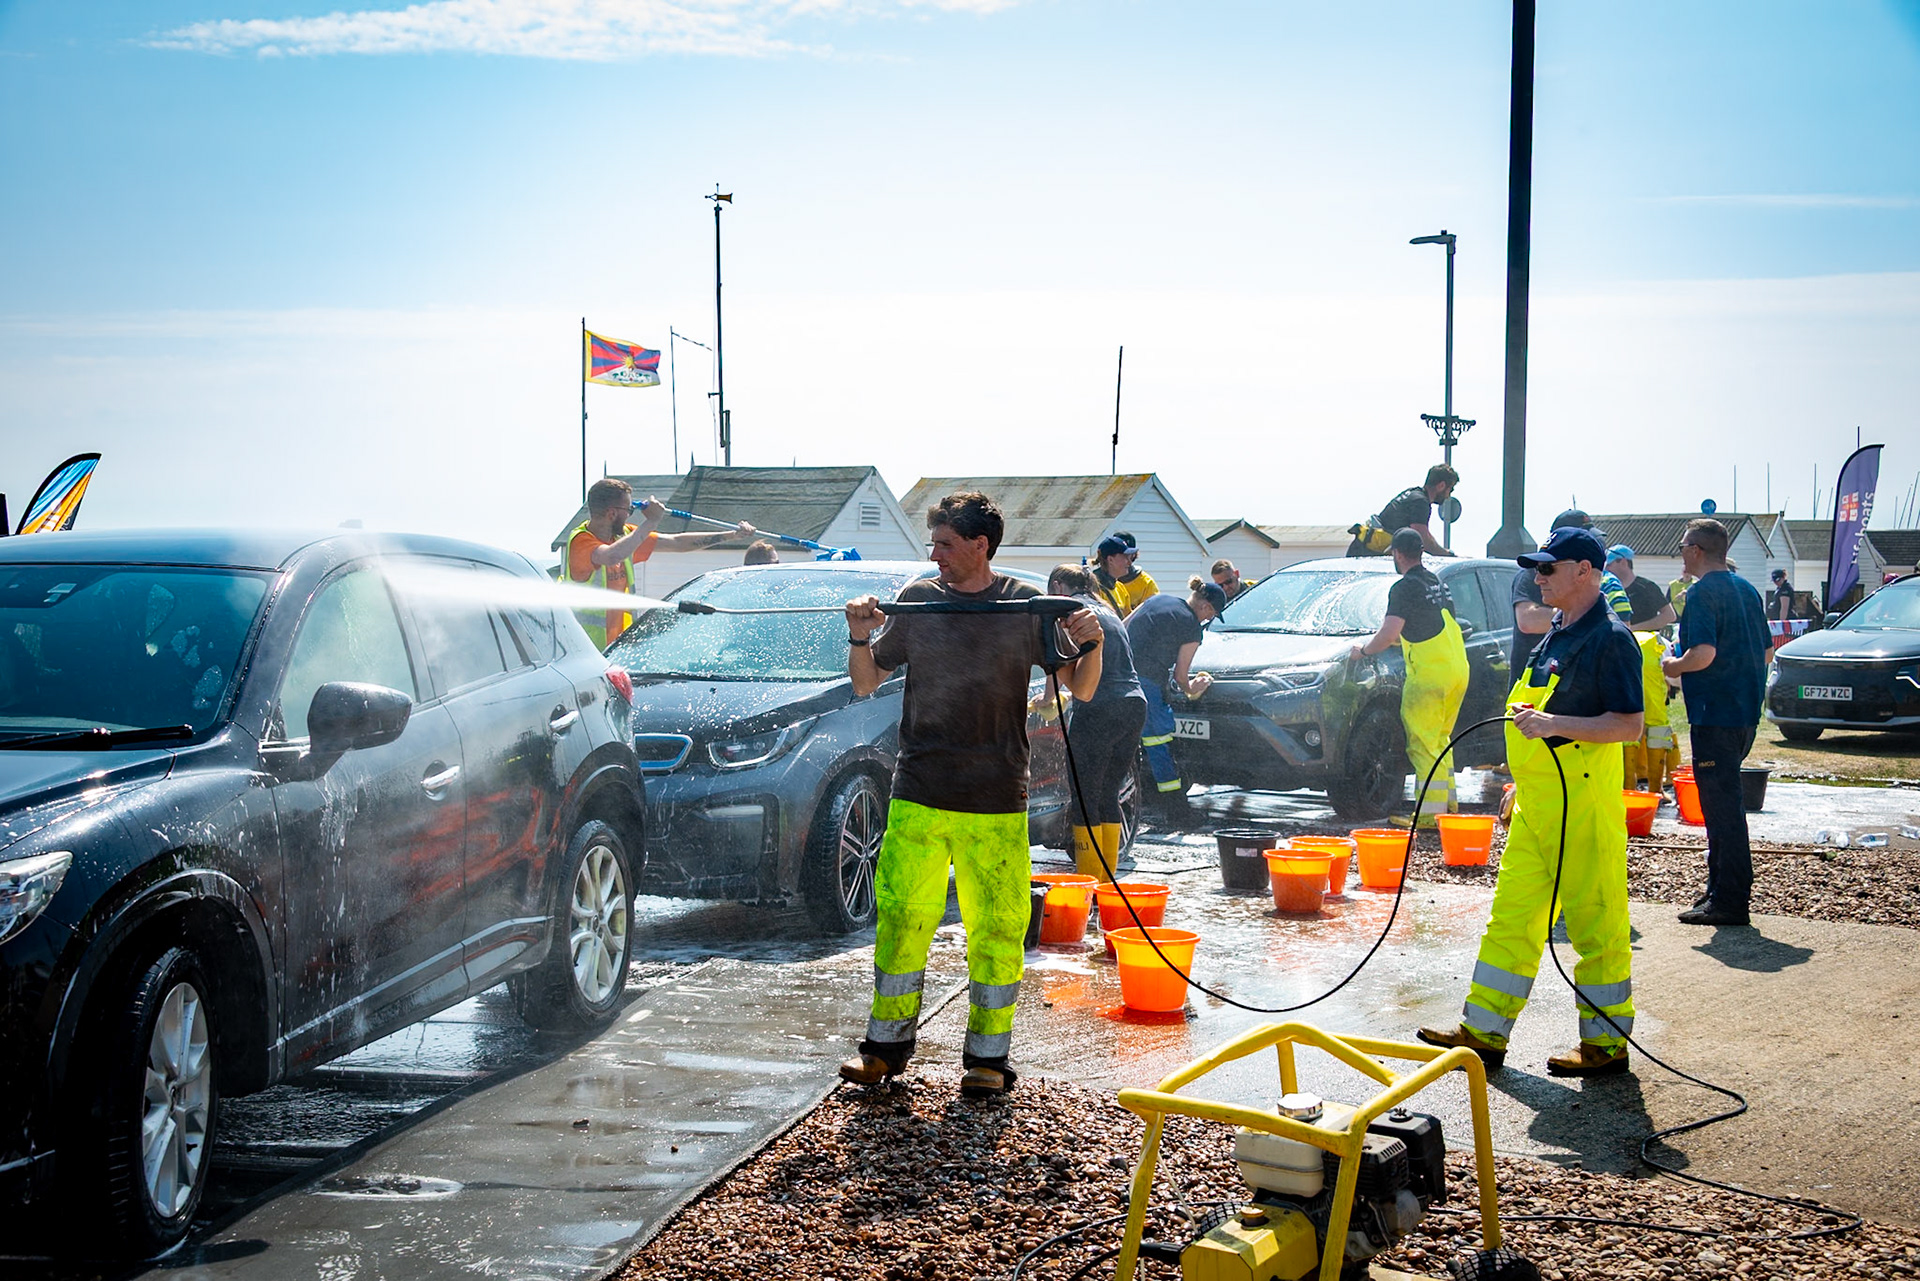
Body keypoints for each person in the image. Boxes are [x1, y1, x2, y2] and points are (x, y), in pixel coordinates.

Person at [838, 493, 1103, 1097]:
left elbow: (1081, 689)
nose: (934, 556)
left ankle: (987, 1059)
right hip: (918, 792)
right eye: (933, 544)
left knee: (998, 929)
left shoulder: (1023, 608)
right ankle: (884, 1049)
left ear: (980, 545)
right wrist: (858, 635)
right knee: (903, 919)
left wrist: (1093, 643)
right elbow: (865, 682)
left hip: (996, 799)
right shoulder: (918, 602)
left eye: (945, 545)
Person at [1420, 525, 1644, 1077]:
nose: (1536, 577)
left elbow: (1629, 725)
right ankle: (1483, 1034)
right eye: (1536, 568)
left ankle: (1605, 1045)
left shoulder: (1612, 640)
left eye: (1547, 568)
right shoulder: (1558, 633)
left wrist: (1552, 725)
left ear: (1583, 572)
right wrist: (1523, 782)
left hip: (1582, 806)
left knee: (1597, 923)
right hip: (1537, 807)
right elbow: (1535, 722)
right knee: (1512, 919)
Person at [1662, 519, 1770, 927]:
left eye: (1682, 547)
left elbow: (1702, 654)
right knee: (1726, 805)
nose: (1681, 554)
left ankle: (1729, 901)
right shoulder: (1746, 589)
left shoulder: (1701, 593)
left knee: (1723, 810)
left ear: (1695, 551)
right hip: (1743, 712)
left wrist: (1673, 665)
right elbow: (1765, 654)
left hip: (1715, 715)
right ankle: (1719, 891)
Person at [1350, 529, 1470, 827]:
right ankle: (1446, 808)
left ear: (1397, 554)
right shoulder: (1436, 582)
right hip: (1456, 669)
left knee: (1421, 743)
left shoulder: (1403, 588)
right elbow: (1425, 624)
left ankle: (1430, 815)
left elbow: (1390, 632)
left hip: (1429, 675)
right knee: (1440, 741)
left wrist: (1363, 650)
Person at [567, 478, 756, 647]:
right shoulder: (581, 541)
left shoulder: (624, 536)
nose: (630, 514)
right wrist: (651, 521)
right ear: (611, 514)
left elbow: (677, 543)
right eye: (629, 510)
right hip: (585, 650)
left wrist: (732, 535)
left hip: (616, 648)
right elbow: (611, 556)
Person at [1048, 563, 1147, 878]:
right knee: (1107, 792)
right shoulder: (1106, 610)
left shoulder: (1071, 612)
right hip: (1133, 705)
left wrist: (1049, 697)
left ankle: (1089, 880)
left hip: (1100, 708)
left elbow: (1064, 659)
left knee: (1084, 795)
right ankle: (1106, 881)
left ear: (1059, 587)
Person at [1126, 579, 1223, 826]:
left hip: (1117, 677)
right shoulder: (1191, 628)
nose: (1208, 618)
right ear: (1206, 608)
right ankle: (1177, 811)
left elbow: (1123, 627)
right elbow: (1181, 676)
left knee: (1121, 745)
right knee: (1159, 745)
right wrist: (1194, 688)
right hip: (1146, 684)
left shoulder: (1158, 599)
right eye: (1212, 613)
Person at [1509, 510, 1630, 675]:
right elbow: (1527, 621)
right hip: (1529, 690)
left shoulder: (1614, 638)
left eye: (1546, 569)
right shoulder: (1528, 575)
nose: (1540, 578)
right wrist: (1574, 613)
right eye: (1542, 569)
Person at [1347, 464, 1459, 557]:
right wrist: (1447, 555)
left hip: (1362, 549)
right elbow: (1423, 539)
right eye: (1451, 489)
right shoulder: (1420, 502)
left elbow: (1425, 537)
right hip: (1369, 555)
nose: (1449, 496)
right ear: (1441, 485)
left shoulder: (1413, 494)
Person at [1622, 630, 1677, 794]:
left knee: (1628, 719)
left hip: (1625, 655)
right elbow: (1672, 679)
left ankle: (1628, 788)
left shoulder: (1651, 638)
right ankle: (1656, 790)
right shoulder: (1668, 652)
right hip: (1651, 660)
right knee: (1658, 727)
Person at [1606, 546, 1677, 633]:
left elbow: (1669, 616)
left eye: (1609, 565)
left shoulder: (1646, 586)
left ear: (1623, 562)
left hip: (1646, 643)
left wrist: (1632, 629)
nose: (1606, 569)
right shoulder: (1608, 588)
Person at [1092, 532, 1158, 617]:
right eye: (1125, 557)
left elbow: (1128, 622)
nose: (1129, 562)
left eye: (1130, 557)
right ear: (1110, 560)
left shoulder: (1121, 589)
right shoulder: (1092, 587)